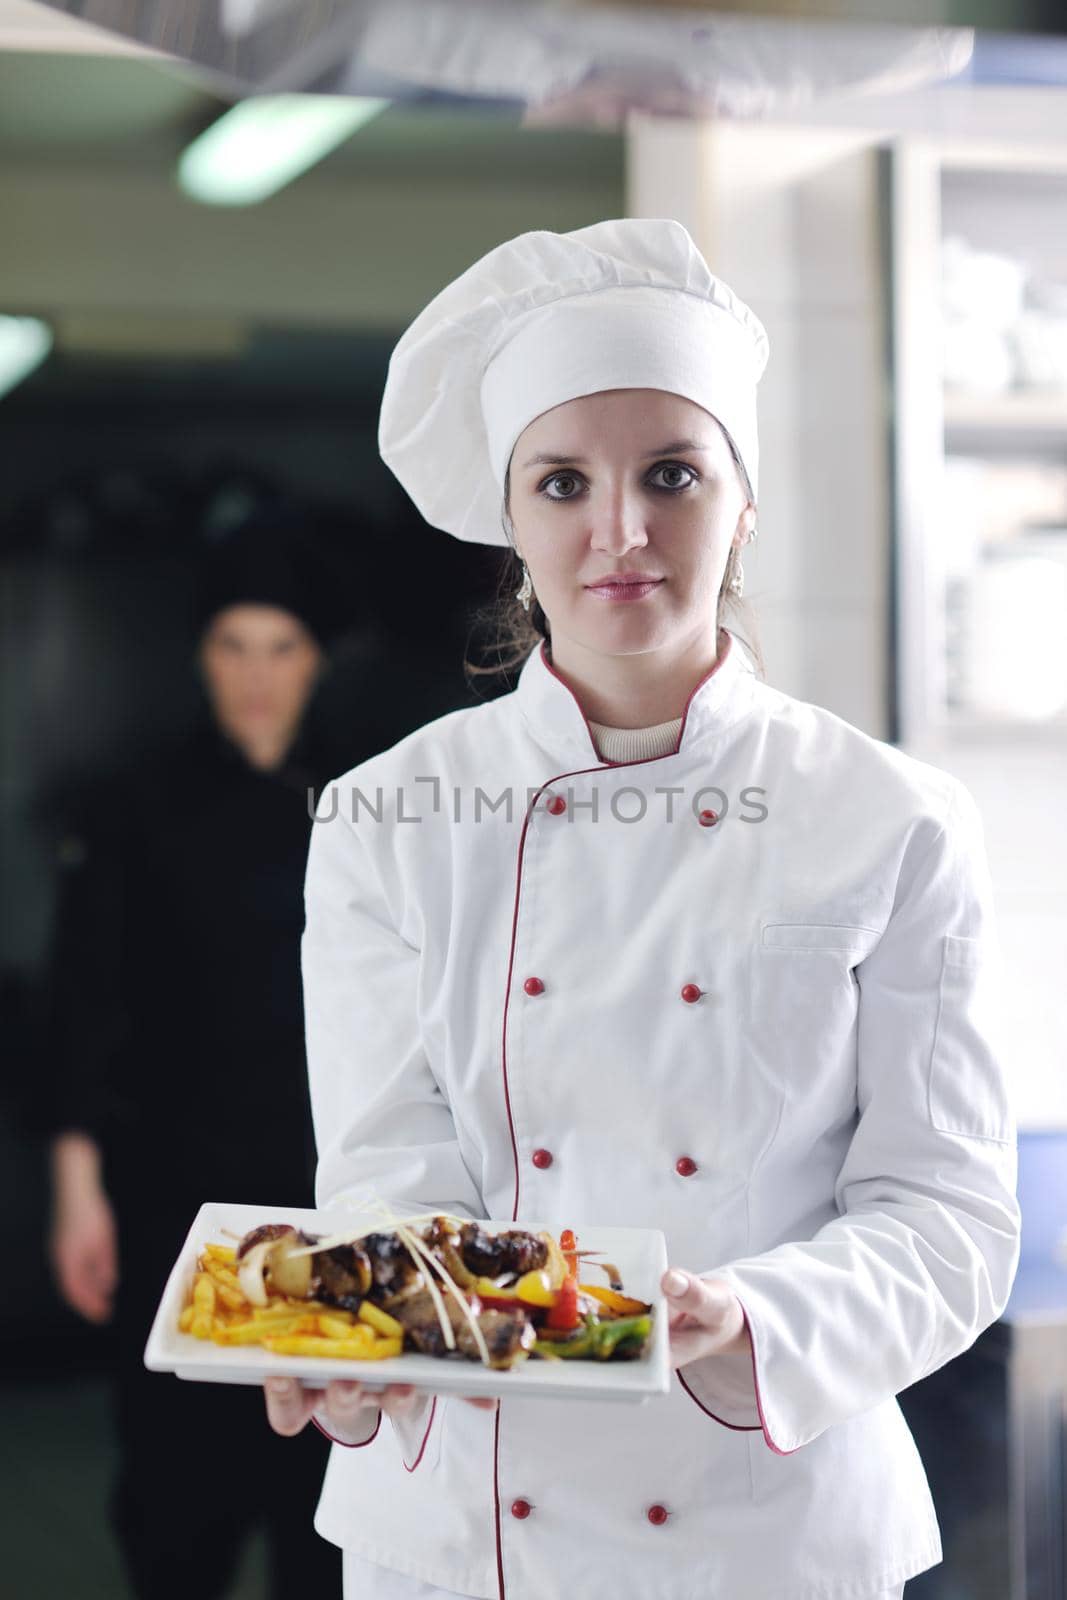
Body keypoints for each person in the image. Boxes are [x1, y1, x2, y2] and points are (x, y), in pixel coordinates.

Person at [263, 218, 1021, 1600]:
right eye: (561, 483)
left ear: (739, 498)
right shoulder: (384, 815)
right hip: (462, 1533)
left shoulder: (891, 818)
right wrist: (351, 1363)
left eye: (668, 473)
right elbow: (384, 1174)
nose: (616, 531)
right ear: (511, 521)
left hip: (763, 1521)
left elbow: (945, 1218)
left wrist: (746, 1313)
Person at [46, 510, 350, 1600]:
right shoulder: (137, 803)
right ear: (201, 657)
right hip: (174, 1180)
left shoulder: (367, 799)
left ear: (315, 659)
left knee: (323, 1497)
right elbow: (88, 999)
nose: (256, 675)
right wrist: (78, 1189)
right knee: (178, 1494)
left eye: (281, 648)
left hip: (324, 1191)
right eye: (234, 646)